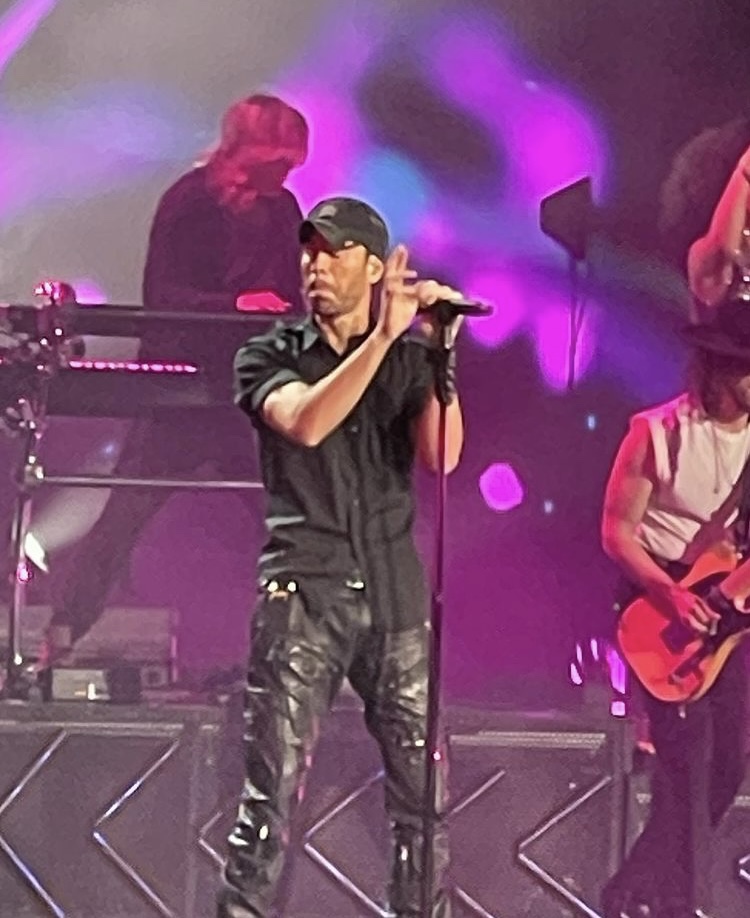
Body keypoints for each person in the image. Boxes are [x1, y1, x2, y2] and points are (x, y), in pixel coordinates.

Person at [217, 196, 465, 918]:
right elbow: (305, 421)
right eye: (310, 252)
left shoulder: (408, 359)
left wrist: (441, 356)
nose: (315, 266)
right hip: (304, 596)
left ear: (374, 266)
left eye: (334, 252)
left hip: (395, 598)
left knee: (423, 805)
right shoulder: (269, 354)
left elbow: (442, 456)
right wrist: (383, 338)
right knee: (271, 802)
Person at [41, 94, 309, 662]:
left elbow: (292, 297)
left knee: (288, 521)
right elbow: (162, 297)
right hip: (180, 393)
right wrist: (237, 305)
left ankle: (317, 644)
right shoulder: (189, 201)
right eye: (281, 161)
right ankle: (58, 639)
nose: (287, 174)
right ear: (251, 150)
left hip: (247, 390)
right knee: (122, 519)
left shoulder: (284, 210)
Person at [601, 129, 750, 918]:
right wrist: (668, 594)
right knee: (687, 770)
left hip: (728, 613)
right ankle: (677, 905)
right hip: (657, 608)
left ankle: (633, 891)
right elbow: (616, 532)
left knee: (727, 768)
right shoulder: (656, 431)